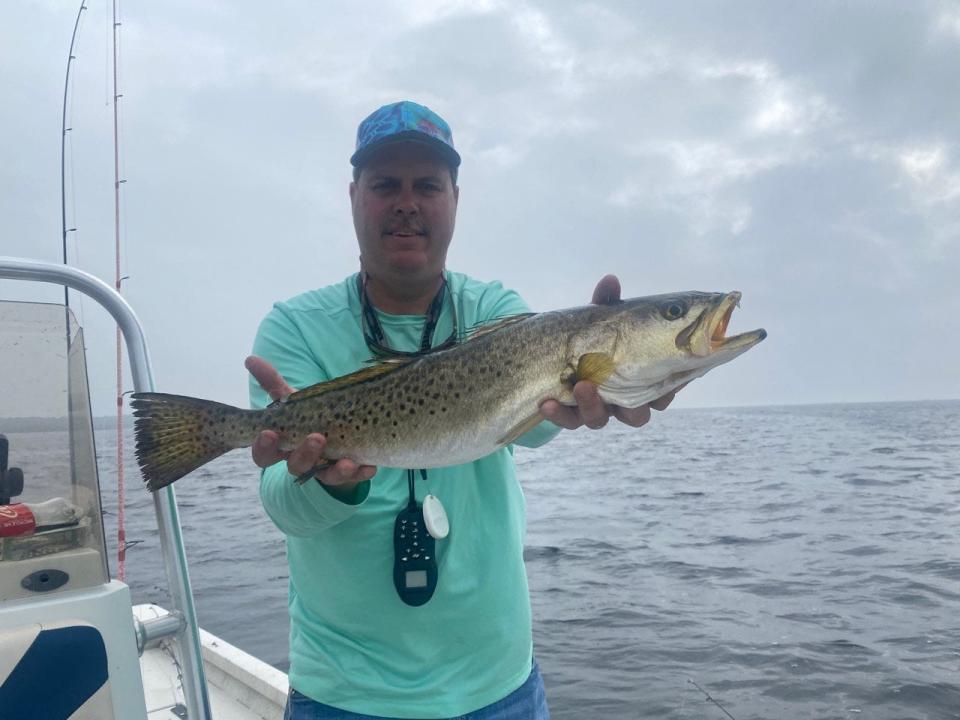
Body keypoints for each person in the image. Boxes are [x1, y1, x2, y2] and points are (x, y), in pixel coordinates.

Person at [246, 100, 679, 720]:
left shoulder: (496, 310)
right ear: (353, 197)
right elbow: (284, 508)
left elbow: (533, 434)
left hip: (496, 685)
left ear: (455, 199)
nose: (407, 202)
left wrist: (612, 384)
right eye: (385, 185)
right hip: (343, 692)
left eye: (427, 185)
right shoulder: (294, 328)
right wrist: (325, 484)